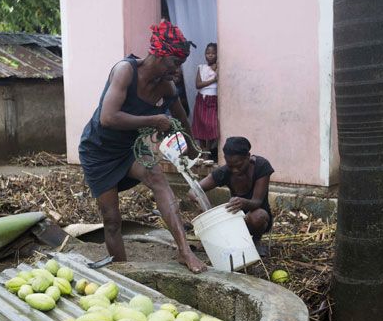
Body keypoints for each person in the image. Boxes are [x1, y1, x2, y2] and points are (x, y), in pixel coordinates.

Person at [79, 21, 207, 273]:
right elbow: (108, 117)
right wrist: (155, 120)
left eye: (180, 64)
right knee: (112, 221)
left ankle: (184, 251)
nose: (177, 70)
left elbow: (181, 118)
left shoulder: (166, 86)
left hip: (130, 149)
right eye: (174, 62)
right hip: (98, 151)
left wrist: (192, 149)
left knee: (159, 180)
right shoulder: (125, 71)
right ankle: (122, 271)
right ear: (159, 54)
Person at [190, 137, 274, 256]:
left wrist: (243, 202)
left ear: (248, 157)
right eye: (230, 165)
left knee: (258, 216)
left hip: (258, 219)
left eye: (239, 166)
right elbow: (194, 190)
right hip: (234, 221)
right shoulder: (224, 172)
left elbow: (257, 201)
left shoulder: (261, 166)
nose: (234, 170)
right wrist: (200, 201)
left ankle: (256, 241)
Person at [191, 43, 219, 157]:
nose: (210, 55)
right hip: (201, 98)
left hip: (213, 99)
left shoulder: (219, 67)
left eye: (213, 53)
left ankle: (208, 148)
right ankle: (203, 150)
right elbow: (198, 85)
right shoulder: (201, 67)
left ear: (218, 54)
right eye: (207, 53)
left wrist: (216, 69)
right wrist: (213, 80)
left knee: (212, 125)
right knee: (200, 124)